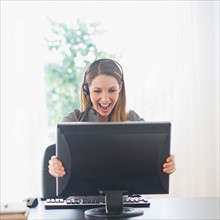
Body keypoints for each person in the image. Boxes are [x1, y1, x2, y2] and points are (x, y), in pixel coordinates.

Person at [48, 58, 176, 178]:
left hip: (124, 200)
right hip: (83, 200)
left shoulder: (133, 121)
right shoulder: (73, 121)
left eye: (112, 90)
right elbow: (60, 160)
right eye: (97, 91)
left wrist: (166, 165)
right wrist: (55, 167)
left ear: (120, 88)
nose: (105, 99)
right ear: (87, 90)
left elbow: (151, 162)